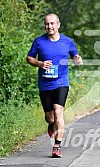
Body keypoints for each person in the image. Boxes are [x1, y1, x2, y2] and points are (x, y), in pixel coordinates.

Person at [26, 13, 83, 158]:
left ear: (58, 24)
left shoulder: (67, 41)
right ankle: (51, 125)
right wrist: (40, 63)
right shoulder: (39, 42)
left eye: (52, 23)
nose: (49, 26)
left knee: (58, 112)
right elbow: (29, 58)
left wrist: (77, 59)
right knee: (50, 117)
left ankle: (57, 146)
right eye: (47, 24)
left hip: (61, 82)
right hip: (45, 84)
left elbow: (75, 56)